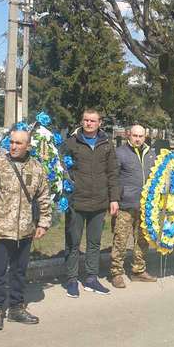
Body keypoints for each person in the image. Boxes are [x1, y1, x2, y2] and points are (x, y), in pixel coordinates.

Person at [0, 126, 52, 331]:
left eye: (18, 143)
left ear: (28, 146)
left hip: (25, 229)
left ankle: (16, 307)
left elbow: (43, 197)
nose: (13, 146)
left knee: (19, 271)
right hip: (0, 228)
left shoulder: (37, 168)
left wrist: (43, 222)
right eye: (12, 142)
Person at [61, 109, 119, 297]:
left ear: (99, 123)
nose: (89, 123)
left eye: (93, 121)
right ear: (82, 121)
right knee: (73, 242)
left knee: (94, 243)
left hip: (99, 202)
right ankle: (71, 279)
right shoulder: (71, 142)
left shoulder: (106, 144)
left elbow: (112, 173)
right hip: (76, 202)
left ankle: (91, 279)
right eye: (86, 120)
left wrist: (114, 198)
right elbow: (61, 168)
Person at [109, 125, 157, 289]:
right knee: (121, 239)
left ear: (145, 136)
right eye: (135, 135)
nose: (138, 139)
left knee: (143, 240)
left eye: (141, 136)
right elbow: (113, 177)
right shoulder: (120, 153)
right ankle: (116, 273)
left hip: (145, 206)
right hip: (125, 204)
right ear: (129, 135)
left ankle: (138, 270)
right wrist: (114, 199)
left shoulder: (151, 153)